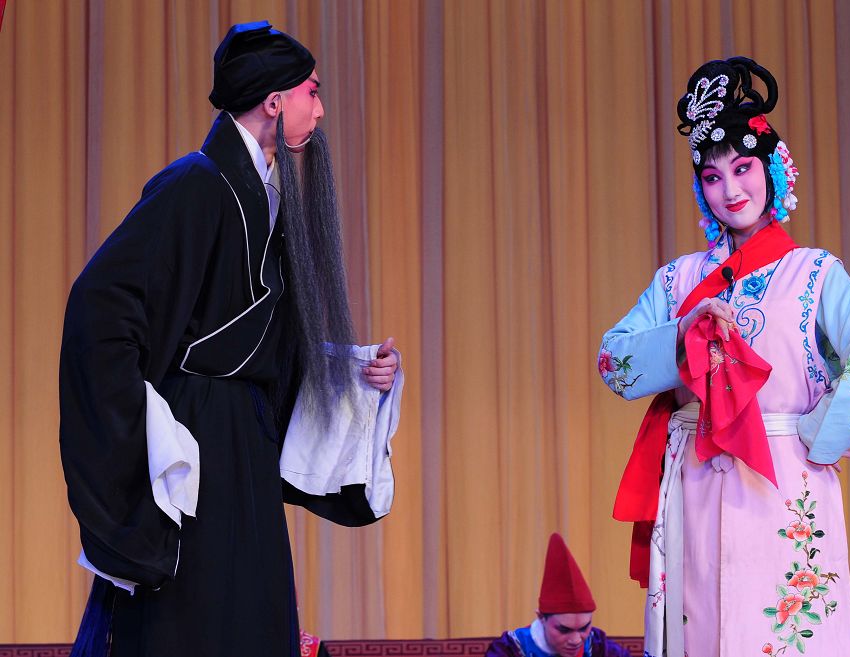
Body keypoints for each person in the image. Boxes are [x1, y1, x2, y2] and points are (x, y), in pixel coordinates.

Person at [59, 21, 402, 657]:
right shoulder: (196, 183)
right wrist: (138, 423)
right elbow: (102, 304)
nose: (320, 109)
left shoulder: (267, 196)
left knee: (251, 611)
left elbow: (260, 342)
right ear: (274, 101)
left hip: (244, 434)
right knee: (194, 617)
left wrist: (353, 372)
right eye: (312, 92)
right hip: (193, 434)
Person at [599, 57, 850, 657]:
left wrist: (820, 437)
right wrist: (683, 330)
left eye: (742, 168)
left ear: (772, 170)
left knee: (783, 633)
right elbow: (614, 362)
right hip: (692, 479)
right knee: (701, 627)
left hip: (783, 479)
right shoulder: (679, 279)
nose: (731, 190)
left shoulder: (814, 272)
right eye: (712, 177)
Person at [486, 534, 630, 657]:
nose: (576, 640)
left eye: (584, 628)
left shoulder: (600, 647)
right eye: (564, 630)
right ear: (541, 618)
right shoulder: (510, 649)